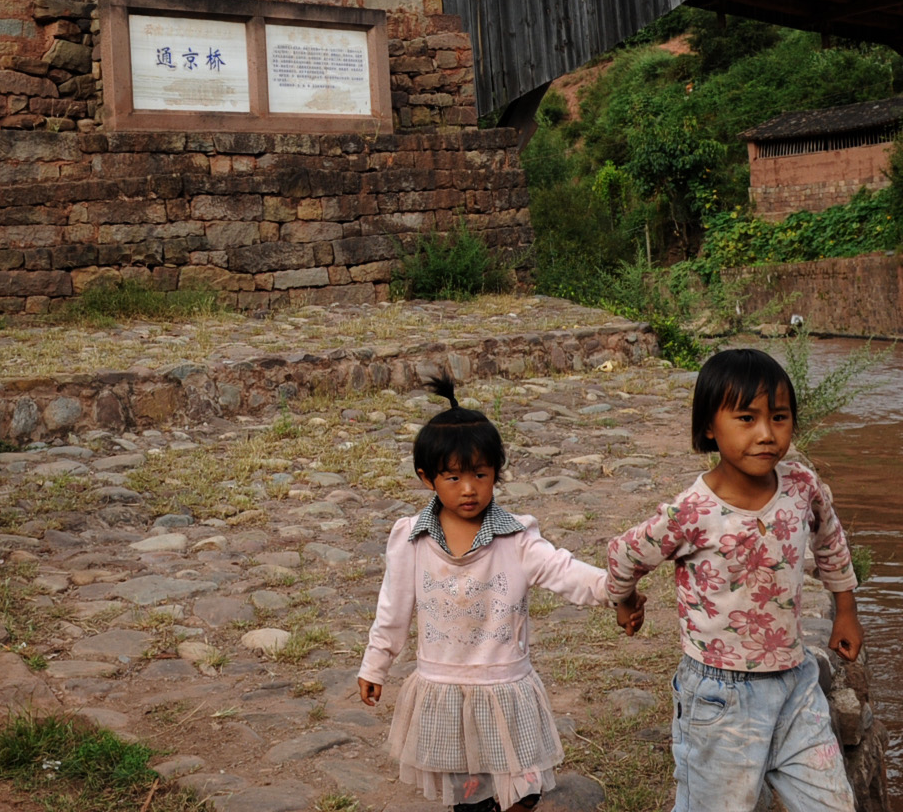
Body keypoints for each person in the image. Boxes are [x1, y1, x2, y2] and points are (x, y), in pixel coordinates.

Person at [357, 375, 643, 812]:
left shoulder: (517, 538)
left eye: (480, 474)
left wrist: (615, 591)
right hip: (446, 693)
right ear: (427, 478)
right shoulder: (411, 540)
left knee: (524, 793)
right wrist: (376, 664)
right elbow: (393, 609)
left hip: (507, 690)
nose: (468, 488)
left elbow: (563, 571)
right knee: (470, 799)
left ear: (497, 473)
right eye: (453, 477)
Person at [604, 348, 864, 812]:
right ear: (709, 427)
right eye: (746, 418)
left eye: (779, 417)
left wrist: (846, 611)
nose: (766, 434)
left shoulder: (801, 485)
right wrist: (625, 599)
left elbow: (830, 541)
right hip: (718, 695)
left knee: (833, 804)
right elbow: (625, 553)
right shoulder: (692, 512)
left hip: (795, 682)